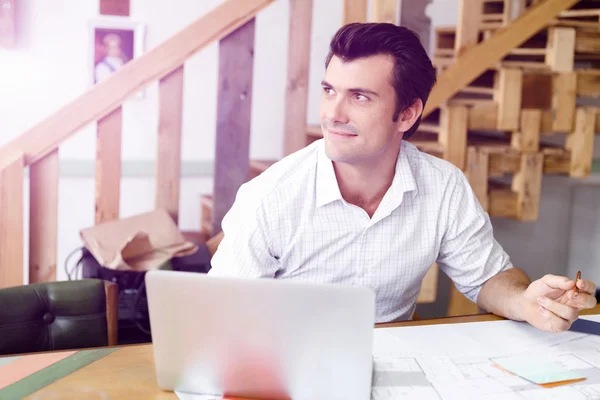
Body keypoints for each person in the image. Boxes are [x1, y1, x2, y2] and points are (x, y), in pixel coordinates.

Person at [208, 23, 597, 332]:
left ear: (407, 114)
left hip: (395, 370)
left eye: (359, 97)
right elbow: (221, 315)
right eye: (329, 91)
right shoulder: (270, 194)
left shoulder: (443, 186)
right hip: (286, 369)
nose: (333, 113)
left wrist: (527, 301)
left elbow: (488, 277)